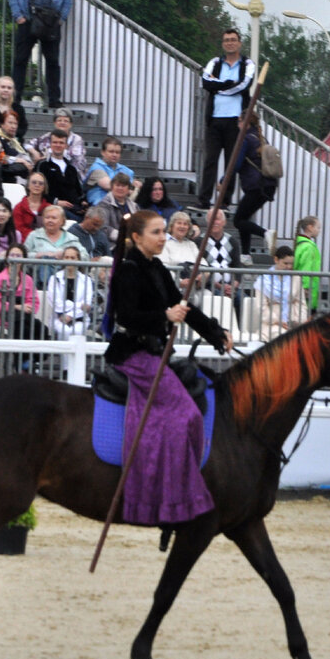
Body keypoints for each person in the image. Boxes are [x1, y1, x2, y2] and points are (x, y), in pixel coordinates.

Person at [104, 210, 231, 525]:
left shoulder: (156, 267)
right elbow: (126, 317)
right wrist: (164, 316)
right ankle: (168, 495)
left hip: (156, 352)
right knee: (187, 415)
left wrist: (216, 333)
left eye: (163, 232)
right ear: (136, 237)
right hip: (134, 354)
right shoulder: (128, 270)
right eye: (156, 232)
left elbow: (182, 308)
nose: (163, 237)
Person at [9, 0, 72, 108]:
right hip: (27, 20)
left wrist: (62, 18)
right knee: (20, 60)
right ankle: (15, 99)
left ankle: (53, 100)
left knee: (52, 62)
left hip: (50, 22)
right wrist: (18, 16)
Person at [198, 28, 256, 208]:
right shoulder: (215, 62)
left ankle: (224, 201)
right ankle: (204, 199)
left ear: (239, 43)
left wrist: (219, 87)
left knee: (231, 162)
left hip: (235, 120)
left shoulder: (248, 64)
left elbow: (244, 85)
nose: (230, 43)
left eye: (233, 40)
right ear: (223, 44)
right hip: (215, 119)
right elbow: (205, 82)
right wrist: (226, 84)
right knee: (210, 160)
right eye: (226, 40)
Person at [233, 109, 277, 260]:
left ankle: (266, 233)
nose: (237, 124)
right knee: (244, 218)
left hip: (256, 185)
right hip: (268, 186)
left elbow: (236, 165)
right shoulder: (261, 138)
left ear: (245, 123)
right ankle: (245, 255)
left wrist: (222, 180)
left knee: (238, 220)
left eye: (239, 121)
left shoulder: (245, 139)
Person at [0, 241, 42, 336]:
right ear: (7, 258)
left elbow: (34, 303)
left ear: (24, 259)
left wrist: (26, 308)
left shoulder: (28, 279)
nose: (14, 259)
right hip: (1, 319)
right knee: (23, 328)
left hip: (23, 318)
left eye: (18, 256)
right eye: (12, 255)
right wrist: (17, 307)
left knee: (41, 328)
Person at [255, 245, 309, 342]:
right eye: (285, 263)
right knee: (282, 337)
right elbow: (261, 307)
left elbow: (301, 303)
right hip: (271, 324)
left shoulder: (296, 278)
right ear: (276, 260)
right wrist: (277, 321)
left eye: (291, 264)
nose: (289, 267)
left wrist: (299, 321)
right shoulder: (263, 280)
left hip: (293, 322)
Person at [24, 204, 88, 281]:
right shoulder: (34, 235)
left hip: (64, 280)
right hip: (37, 280)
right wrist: (39, 255)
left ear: (62, 221)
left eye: (54, 218)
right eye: (47, 217)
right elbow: (23, 255)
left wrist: (66, 255)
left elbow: (85, 257)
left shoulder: (71, 238)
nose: (50, 220)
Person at [32, 127, 85, 219]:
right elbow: (35, 190)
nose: (58, 145)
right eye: (55, 142)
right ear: (50, 144)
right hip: (53, 208)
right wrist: (56, 201)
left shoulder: (71, 168)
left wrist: (83, 202)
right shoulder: (43, 165)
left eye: (61, 143)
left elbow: (78, 191)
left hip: (74, 208)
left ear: (66, 146)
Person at [46, 245, 95, 338]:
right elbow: (56, 303)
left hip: (80, 318)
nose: (69, 260)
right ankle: (62, 353)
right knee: (64, 331)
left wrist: (70, 315)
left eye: (73, 257)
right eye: (67, 257)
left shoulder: (86, 280)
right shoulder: (55, 278)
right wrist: (78, 305)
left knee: (76, 331)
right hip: (59, 317)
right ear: (63, 259)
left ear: (78, 260)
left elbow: (87, 304)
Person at [201, 208, 241, 316]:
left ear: (224, 222)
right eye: (211, 219)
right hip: (210, 286)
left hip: (231, 286)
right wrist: (220, 287)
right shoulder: (200, 241)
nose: (214, 222)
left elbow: (238, 268)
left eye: (217, 219)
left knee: (242, 300)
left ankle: (240, 331)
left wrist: (232, 287)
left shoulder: (232, 241)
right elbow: (202, 269)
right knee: (221, 300)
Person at [27, 106, 85, 175]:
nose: (62, 123)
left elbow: (76, 160)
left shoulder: (76, 139)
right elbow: (27, 144)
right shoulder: (47, 137)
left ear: (70, 124)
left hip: (70, 174)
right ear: (54, 123)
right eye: (59, 120)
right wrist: (34, 152)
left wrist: (48, 156)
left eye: (66, 121)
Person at [84, 136, 139, 205]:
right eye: (111, 152)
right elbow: (110, 186)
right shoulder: (96, 168)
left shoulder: (126, 170)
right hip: (101, 207)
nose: (114, 155)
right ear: (103, 152)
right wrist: (132, 190)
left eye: (117, 152)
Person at [160, 211, 201, 294]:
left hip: (195, 285)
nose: (182, 226)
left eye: (185, 224)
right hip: (173, 286)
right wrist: (179, 281)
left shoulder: (191, 244)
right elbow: (163, 267)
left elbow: (202, 263)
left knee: (211, 298)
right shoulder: (164, 243)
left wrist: (201, 277)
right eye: (179, 223)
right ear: (171, 226)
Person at [94, 173, 139, 244]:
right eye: (117, 185)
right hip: (112, 245)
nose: (120, 188)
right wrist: (123, 237)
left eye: (123, 186)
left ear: (128, 189)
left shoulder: (134, 206)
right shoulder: (104, 204)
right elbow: (103, 227)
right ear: (112, 187)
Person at [0, 109, 33, 182]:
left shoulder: (15, 141)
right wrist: (21, 161)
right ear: (2, 124)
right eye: (10, 123)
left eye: (15, 123)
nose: (13, 126)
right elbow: (1, 158)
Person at [293, 215, 323, 313]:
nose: (319, 230)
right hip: (308, 290)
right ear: (310, 227)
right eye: (318, 227)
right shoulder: (309, 247)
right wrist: (305, 287)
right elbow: (306, 268)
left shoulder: (299, 243)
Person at [12, 171, 52, 240]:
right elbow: (18, 230)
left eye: (41, 183)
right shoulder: (19, 207)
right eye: (34, 182)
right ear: (28, 185)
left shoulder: (50, 208)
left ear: (44, 187)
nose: (37, 185)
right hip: (24, 244)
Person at [0, 74, 27, 144]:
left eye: (9, 88)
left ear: (13, 90)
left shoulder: (19, 109)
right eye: (3, 87)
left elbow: (23, 128)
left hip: (13, 142)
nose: (6, 90)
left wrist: (11, 133)